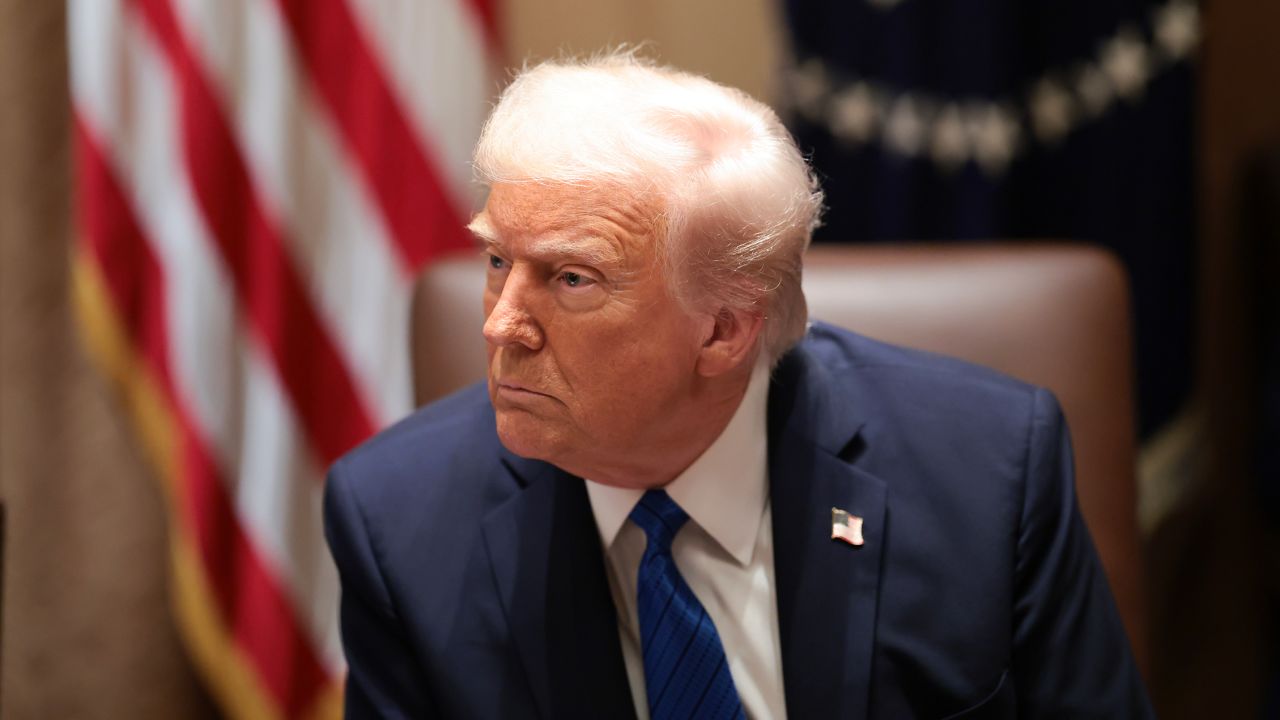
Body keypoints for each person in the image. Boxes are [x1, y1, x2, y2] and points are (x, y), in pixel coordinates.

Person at [324, 52, 1153, 719]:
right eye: (498, 260)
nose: (501, 324)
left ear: (724, 329)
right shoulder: (397, 522)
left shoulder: (987, 472)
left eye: (571, 279)